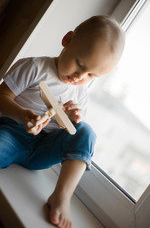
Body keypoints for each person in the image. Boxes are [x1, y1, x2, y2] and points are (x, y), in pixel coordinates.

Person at [0, 15, 125, 228]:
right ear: (67, 40)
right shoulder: (35, 67)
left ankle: (62, 195)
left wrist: (71, 119)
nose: (79, 76)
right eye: (79, 63)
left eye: (90, 75)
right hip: (13, 133)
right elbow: (2, 95)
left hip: (43, 148)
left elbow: (71, 134)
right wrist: (23, 114)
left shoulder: (80, 93)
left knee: (86, 132)